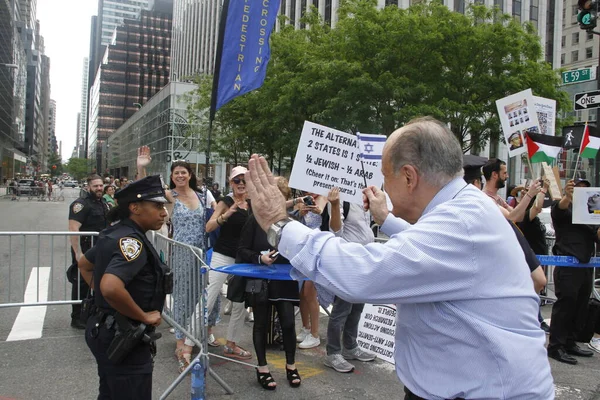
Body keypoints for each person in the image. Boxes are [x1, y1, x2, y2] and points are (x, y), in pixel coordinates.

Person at [245, 117, 553, 399]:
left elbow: (363, 274)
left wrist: (279, 223)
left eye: (384, 176)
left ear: (409, 177)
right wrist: (387, 218)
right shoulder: (465, 208)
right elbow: (426, 249)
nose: (381, 187)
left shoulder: (460, 222)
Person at [77, 175, 170, 400]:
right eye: (157, 206)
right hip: (123, 335)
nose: (164, 213)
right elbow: (110, 287)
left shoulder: (115, 233)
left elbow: (84, 265)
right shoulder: (133, 243)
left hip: (106, 329)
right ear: (135, 207)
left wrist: (105, 297)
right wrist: (143, 316)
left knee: (110, 393)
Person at [237, 177, 301, 390]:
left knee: (289, 324)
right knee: (260, 324)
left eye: (281, 198)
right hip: (259, 278)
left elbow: (301, 252)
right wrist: (259, 258)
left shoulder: (292, 224)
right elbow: (242, 250)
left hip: (284, 281)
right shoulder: (253, 220)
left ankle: (291, 366)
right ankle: (262, 368)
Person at [323, 187, 376, 373]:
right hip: (348, 261)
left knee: (357, 308)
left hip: (365, 260)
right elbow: (335, 230)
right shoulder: (340, 196)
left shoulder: (363, 197)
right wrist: (335, 205)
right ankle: (333, 353)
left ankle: (350, 346)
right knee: (341, 309)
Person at [548, 178, 598, 365]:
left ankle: (569, 342)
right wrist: (567, 197)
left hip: (585, 266)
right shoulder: (563, 208)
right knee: (565, 306)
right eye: (578, 189)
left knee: (579, 306)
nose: (582, 192)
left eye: (586, 189)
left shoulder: (591, 214)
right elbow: (559, 209)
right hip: (568, 266)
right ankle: (555, 346)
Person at [205, 166, 252, 360]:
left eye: (244, 180)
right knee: (208, 299)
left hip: (243, 258)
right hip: (223, 255)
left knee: (239, 305)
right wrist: (227, 214)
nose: (241, 184)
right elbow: (209, 227)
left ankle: (231, 344)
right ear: (230, 183)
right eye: (237, 180)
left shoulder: (251, 203)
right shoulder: (226, 202)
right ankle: (188, 344)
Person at [68, 174, 109, 329]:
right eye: (95, 186)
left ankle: (92, 313)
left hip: (100, 250)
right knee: (81, 284)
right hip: (85, 250)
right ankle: (77, 317)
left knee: (97, 281)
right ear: (88, 187)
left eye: (100, 185)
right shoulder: (80, 204)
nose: (99, 188)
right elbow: (73, 229)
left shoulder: (104, 203)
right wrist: (78, 253)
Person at [294, 192, 327, 349]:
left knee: (309, 292)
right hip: (302, 247)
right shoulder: (302, 199)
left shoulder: (325, 197)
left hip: (318, 248)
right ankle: (305, 327)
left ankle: (315, 334)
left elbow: (330, 222)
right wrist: (300, 213)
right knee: (302, 293)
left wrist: (319, 211)